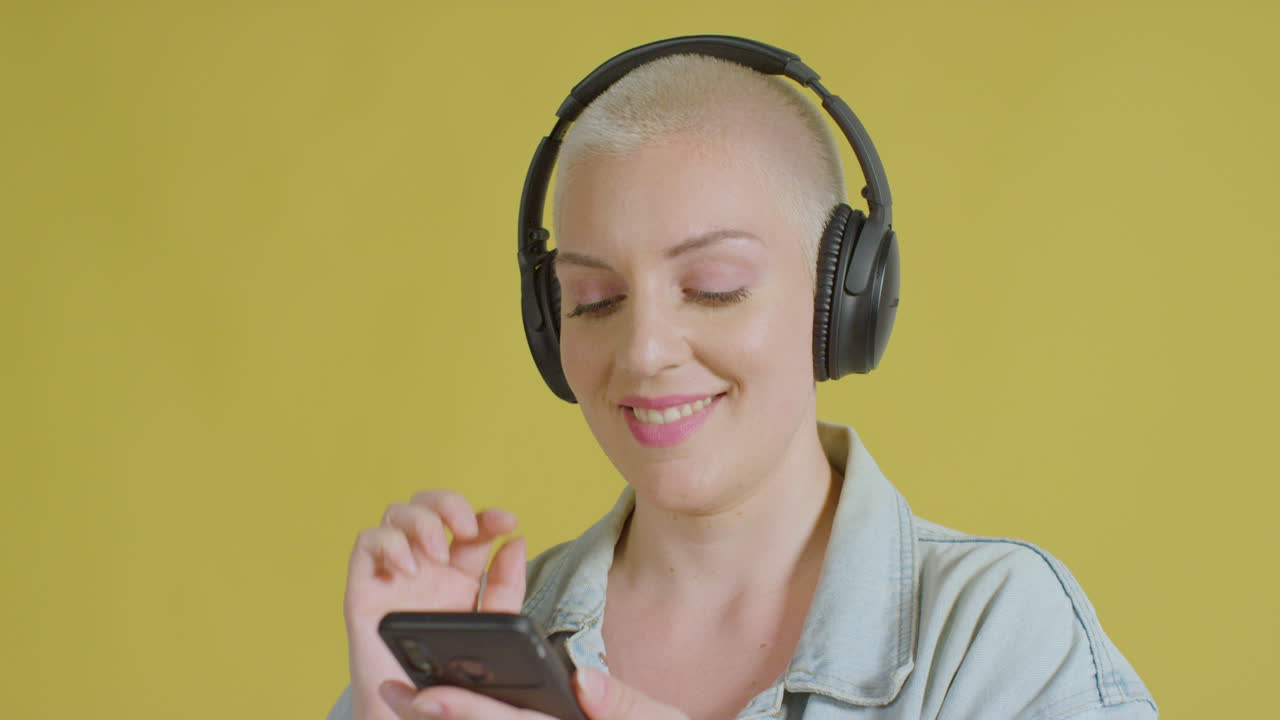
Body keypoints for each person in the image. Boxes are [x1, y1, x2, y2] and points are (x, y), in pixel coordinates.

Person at [327, 39, 1158, 720]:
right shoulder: (497, 641)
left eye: (715, 286)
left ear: (841, 304)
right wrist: (378, 708)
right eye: (595, 298)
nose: (645, 349)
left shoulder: (997, 629)